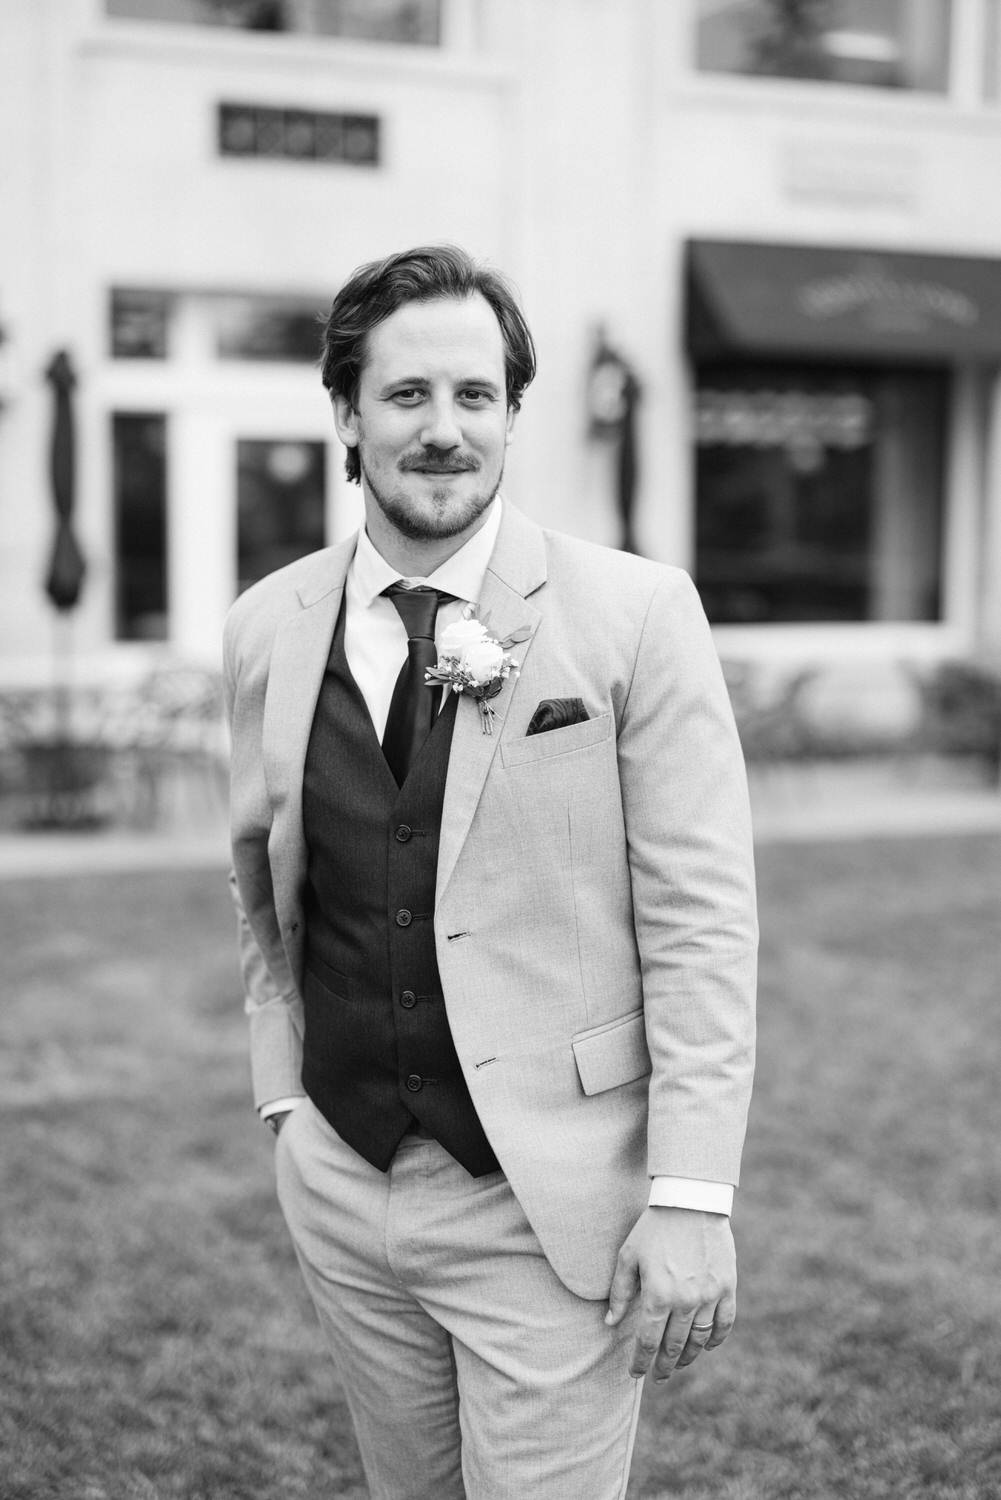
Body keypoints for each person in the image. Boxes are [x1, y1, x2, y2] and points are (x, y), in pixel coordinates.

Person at [224, 244, 757, 1500]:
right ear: (347, 416)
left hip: (549, 1199)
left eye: (475, 396)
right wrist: (284, 1105)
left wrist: (688, 1194)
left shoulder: (633, 612)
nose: (442, 430)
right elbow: (260, 885)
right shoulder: (265, 626)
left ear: (514, 414)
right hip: (345, 1187)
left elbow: (701, 921)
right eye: (406, 396)